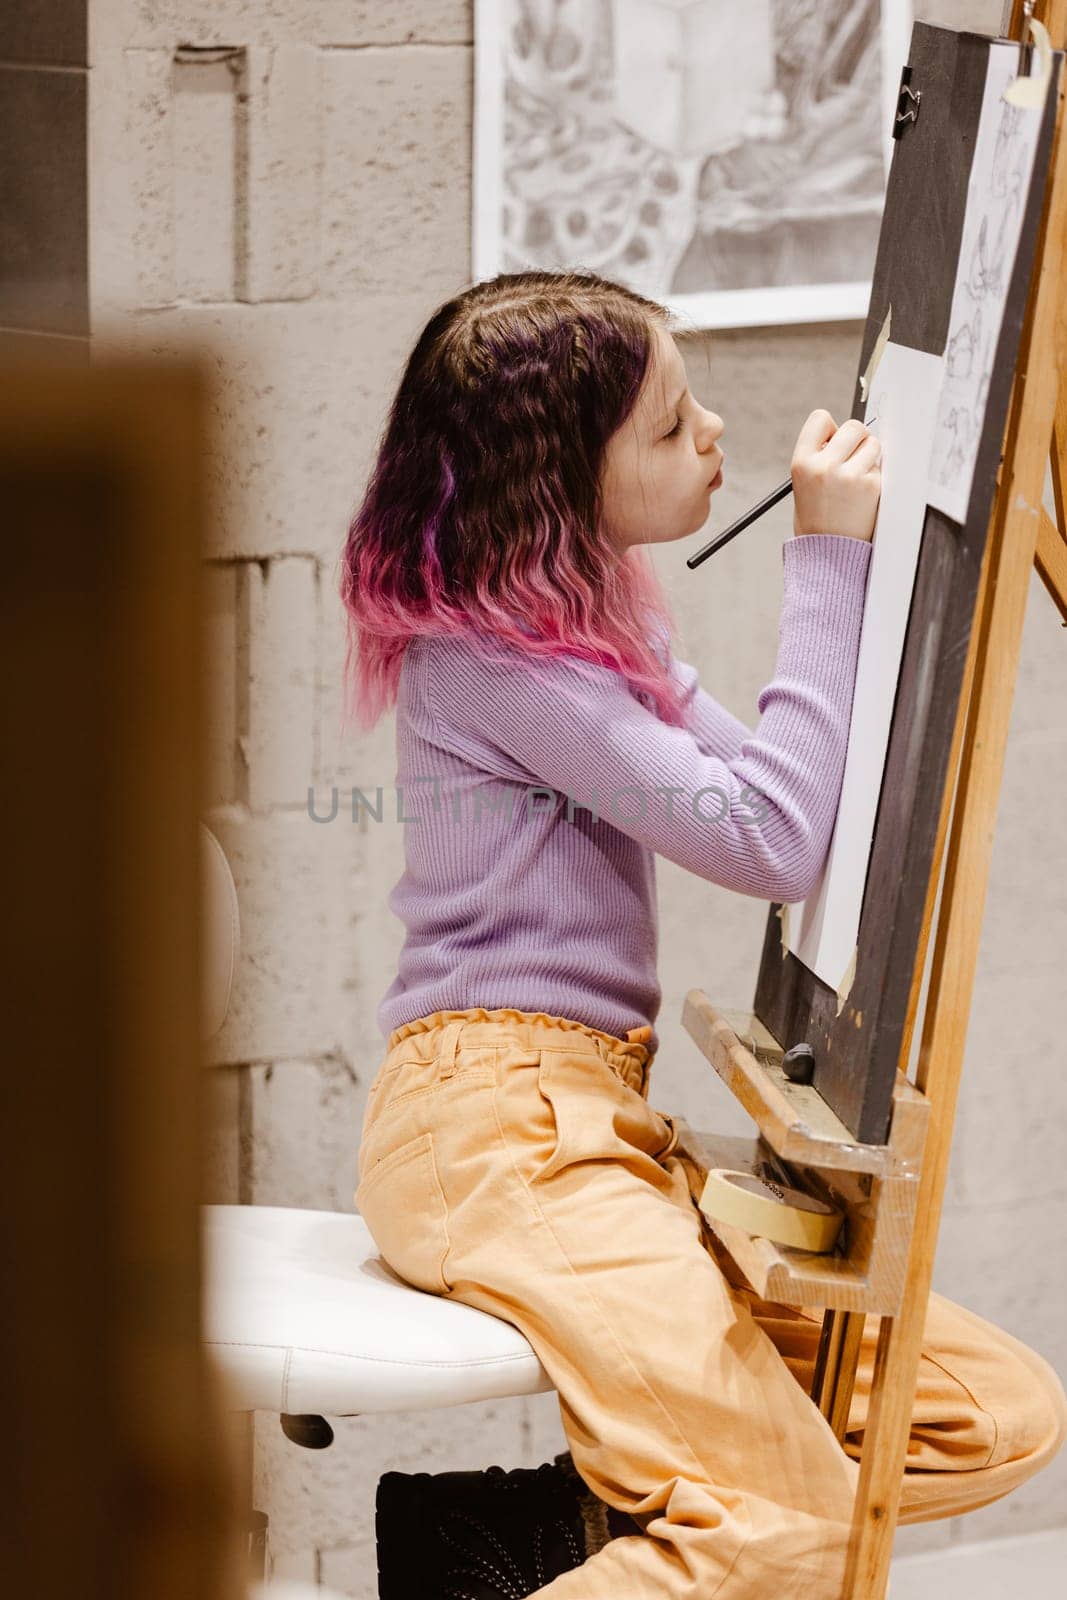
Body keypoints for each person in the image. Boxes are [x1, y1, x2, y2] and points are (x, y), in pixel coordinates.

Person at [337, 271, 1066, 1599]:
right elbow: (768, 843)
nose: (715, 436)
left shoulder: (590, 624)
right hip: (498, 1133)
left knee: (991, 1410)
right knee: (792, 1536)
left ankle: (522, 1540)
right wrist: (831, 559)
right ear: (563, 483)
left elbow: (780, 801)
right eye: (672, 428)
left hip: (582, 1122)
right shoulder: (501, 660)